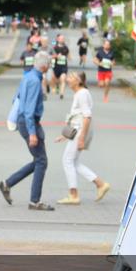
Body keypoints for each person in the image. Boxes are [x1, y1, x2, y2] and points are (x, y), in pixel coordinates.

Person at [0, 51, 54, 211]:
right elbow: (29, 110)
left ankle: (7, 184)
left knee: (38, 160)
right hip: (30, 123)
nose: (49, 66)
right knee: (42, 161)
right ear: (44, 65)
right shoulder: (35, 81)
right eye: (49, 64)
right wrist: (32, 133)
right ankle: (34, 201)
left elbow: (16, 98)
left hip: (24, 121)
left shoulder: (28, 76)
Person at [55, 71, 110, 205]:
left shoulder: (82, 94)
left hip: (81, 132)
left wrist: (81, 138)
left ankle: (74, 195)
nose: (68, 79)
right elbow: (77, 118)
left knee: (67, 160)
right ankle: (100, 184)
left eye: (71, 77)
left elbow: (86, 116)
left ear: (79, 81)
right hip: (78, 131)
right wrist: (65, 135)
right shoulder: (79, 94)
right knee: (73, 162)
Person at [94, 38, 115, 103]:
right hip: (101, 71)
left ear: (110, 46)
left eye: (108, 45)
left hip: (108, 71)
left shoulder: (112, 53)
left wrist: (112, 64)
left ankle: (106, 96)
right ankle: (100, 82)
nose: (107, 46)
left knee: (107, 83)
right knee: (101, 85)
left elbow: (113, 61)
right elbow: (94, 60)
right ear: (103, 45)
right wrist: (99, 63)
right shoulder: (100, 52)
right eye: (106, 44)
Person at [51, 33, 70, 99]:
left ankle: (62, 93)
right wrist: (56, 56)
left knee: (63, 79)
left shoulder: (66, 48)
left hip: (64, 67)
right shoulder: (54, 47)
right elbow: (51, 56)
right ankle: (56, 86)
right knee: (55, 79)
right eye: (61, 39)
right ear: (58, 39)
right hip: (56, 66)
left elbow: (68, 55)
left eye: (63, 39)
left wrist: (68, 57)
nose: (62, 40)